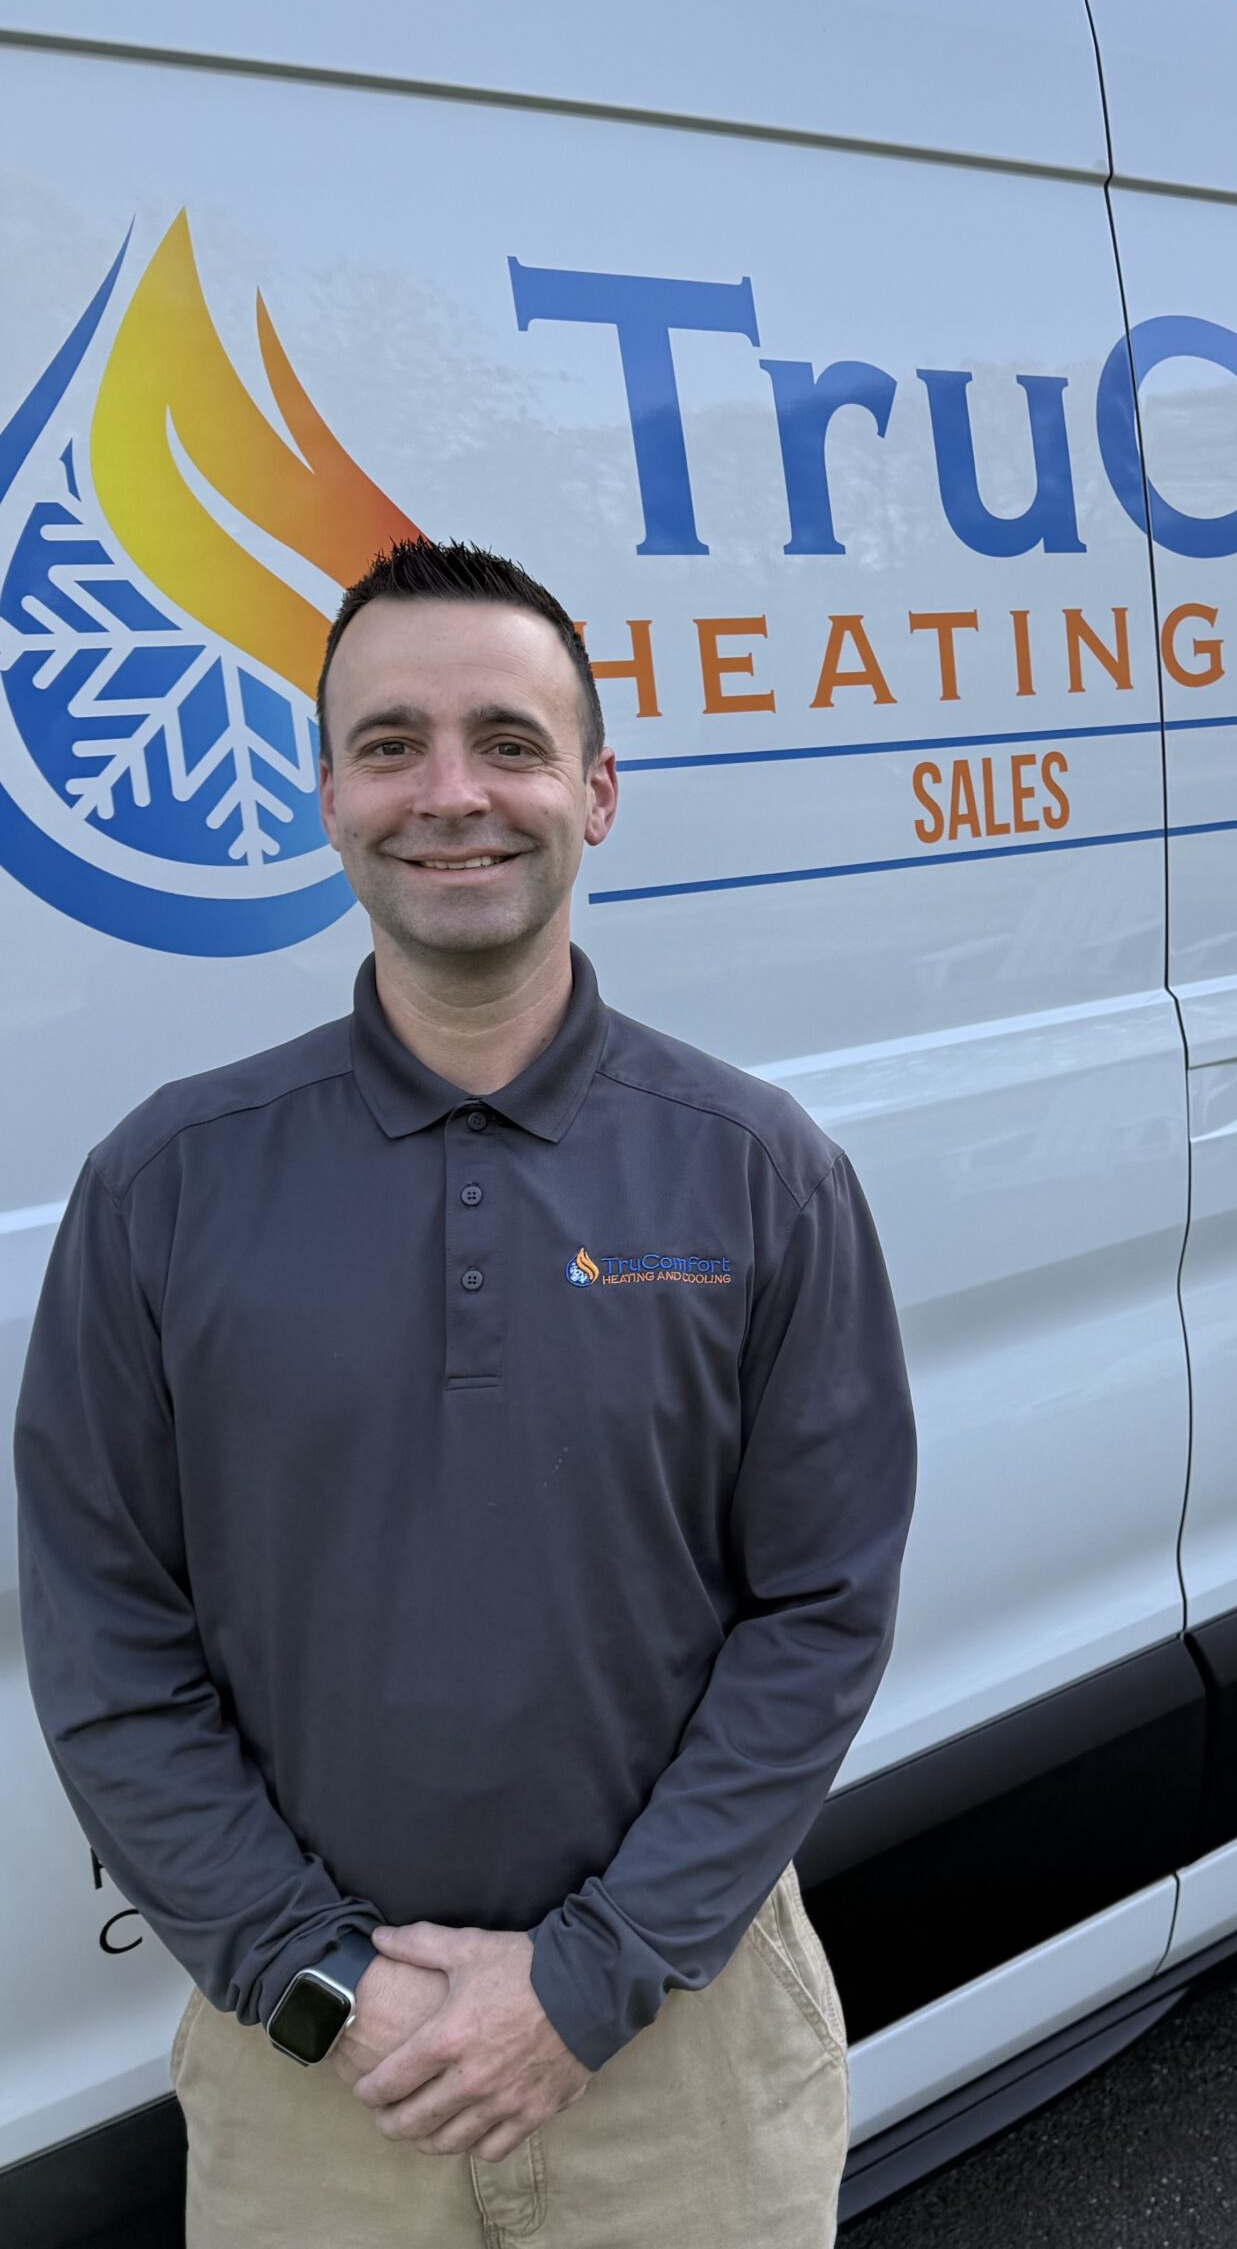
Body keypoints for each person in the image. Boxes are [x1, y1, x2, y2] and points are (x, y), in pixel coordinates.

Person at [14, 536, 916, 2248]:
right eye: (390, 745)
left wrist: (591, 1979)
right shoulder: (166, 1189)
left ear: (596, 788)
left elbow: (820, 1610)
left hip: (684, 2060)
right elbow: (106, 1643)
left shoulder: (756, 1173)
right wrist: (308, 1977)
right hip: (316, 2089)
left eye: (508, 742)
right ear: (328, 796)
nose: (453, 794)